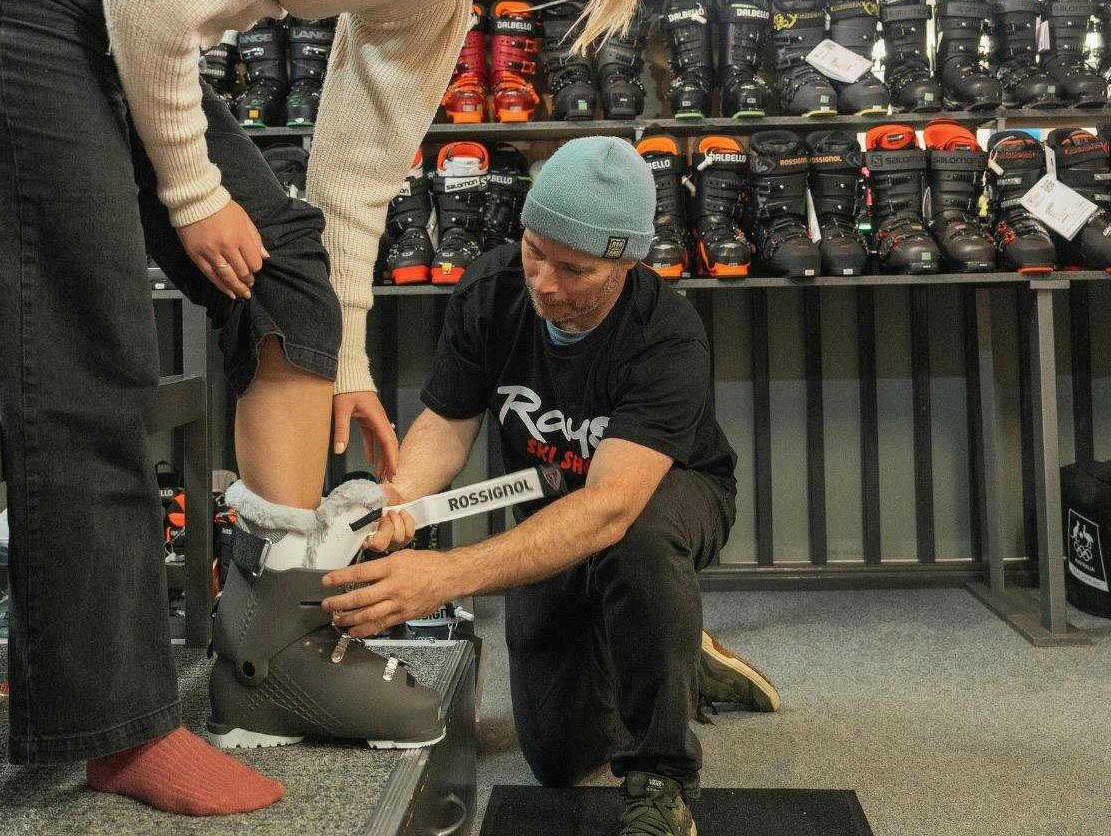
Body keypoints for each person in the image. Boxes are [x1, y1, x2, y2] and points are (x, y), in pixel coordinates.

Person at [0, 0, 652, 816]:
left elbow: (353, 186)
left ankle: (272, 651)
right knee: (96, 366)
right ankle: (118, 734)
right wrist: (190, 194)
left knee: (292, 280)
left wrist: (348, 362)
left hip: (126, 29)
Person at [322, 137, 777, 836]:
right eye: (536, 252)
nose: (546, 283)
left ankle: (661, 778)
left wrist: (444, 575)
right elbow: (446, 425)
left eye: (576, 268)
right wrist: (399, 504)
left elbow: (608, 509)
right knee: (559, 759)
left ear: (626, 262)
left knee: (640, 546)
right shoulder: (491, 290)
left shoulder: (666, 335)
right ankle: (678, 649)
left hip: (666, 497)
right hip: (552, 503)